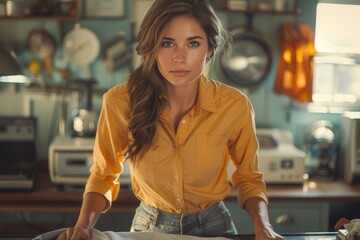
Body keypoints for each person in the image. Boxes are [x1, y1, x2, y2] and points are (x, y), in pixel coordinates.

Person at [58, 0, 284, 239]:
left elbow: (249, 178)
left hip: (214, 226)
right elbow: (104, 175)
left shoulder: (234, 105)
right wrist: (83, 226)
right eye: (167, 43)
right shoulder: (119, 102)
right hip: (149, 226)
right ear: (153, 47)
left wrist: (264, 226)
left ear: (209, 49)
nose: (179, 57)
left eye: (193, 43)